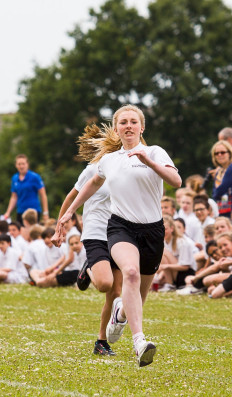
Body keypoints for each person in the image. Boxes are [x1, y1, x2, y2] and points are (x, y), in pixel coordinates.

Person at [56, 104, 181, 367]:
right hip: (120, 228)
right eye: (123, 122)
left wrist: (148, 161)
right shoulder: (109, 161)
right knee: (130, 275)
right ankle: (139, 342)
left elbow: (176, 181)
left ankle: (120, 314)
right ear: (116, 128)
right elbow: (92, 182)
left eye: (133, 122)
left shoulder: (155, 152)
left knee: (137, 295)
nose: (128, 126)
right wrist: (69, 213)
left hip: (153, 231)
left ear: (141, 127)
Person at [52, 123, 123, 356]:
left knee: (115, 293)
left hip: (120, 233)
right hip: (95, 231)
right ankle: (88, 268)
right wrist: (60, 226)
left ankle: (101, 342)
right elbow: (72, 197)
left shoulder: (128, 168)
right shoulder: (93, 169)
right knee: (104, 284)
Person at [2, 155, 49, 224]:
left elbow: (43, 195)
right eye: (19, 164)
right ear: (16, 165)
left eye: (23, 164)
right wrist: (8, 212)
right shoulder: (14, 178)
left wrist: (45, 212)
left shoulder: (35, 177)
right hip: (20, 211)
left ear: (27, 164)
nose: (21, 166)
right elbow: (14, 197)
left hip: (33, 212)